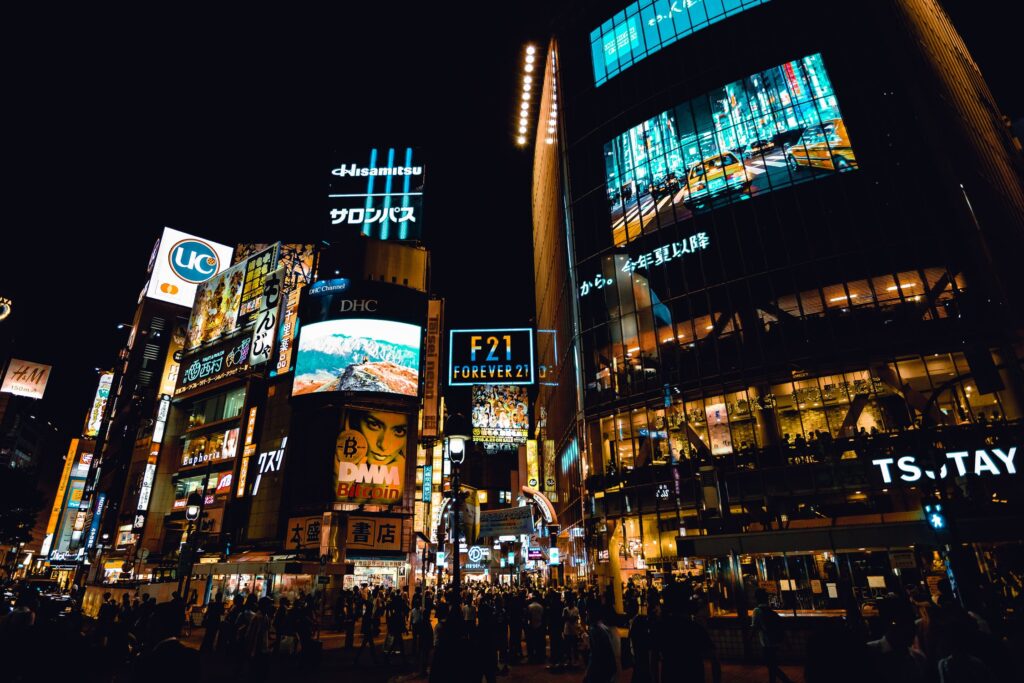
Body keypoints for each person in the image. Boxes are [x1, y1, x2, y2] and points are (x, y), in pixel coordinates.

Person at [653, 583, 720, 683]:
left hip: (670, 677)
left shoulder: (661, 628)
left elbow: (653, 660)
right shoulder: (694, 628)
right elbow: (714, 658)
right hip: (693, 676)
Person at [128, 602, 200, 683]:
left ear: (157, 625)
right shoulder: (193, 657)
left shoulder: (146, 662)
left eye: (150, 621)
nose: (147, 626)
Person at [751, 588, 792, 683]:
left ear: (757, 599)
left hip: (766, 642)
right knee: (772, 665)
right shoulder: (770, 611)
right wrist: (787, 642)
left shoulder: (756, 611)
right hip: (775, 641)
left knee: (771, 665)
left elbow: (754, 627)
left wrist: (749, 639)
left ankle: (787, 681)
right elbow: (780, 627)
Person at [583, 605, 617, 683]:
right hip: (609, 665)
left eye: (587, 614)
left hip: (601, 666)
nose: (586, 616)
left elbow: (594, 653)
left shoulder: (594, 629)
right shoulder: (603, 627)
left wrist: (587, 671)